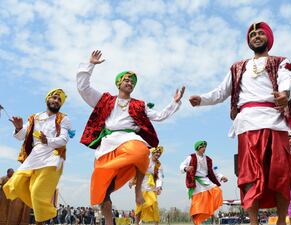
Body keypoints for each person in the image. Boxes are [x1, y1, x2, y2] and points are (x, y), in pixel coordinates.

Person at [189, 21, 291, 225]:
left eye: (260, 33)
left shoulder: (280, 61)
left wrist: (284, 94)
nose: (256, 36)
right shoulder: (238, 67)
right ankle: (254, 221)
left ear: (268, 38)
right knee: (249, 176)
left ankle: (282, 221)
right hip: (247, 124)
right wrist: (202, 100)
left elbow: (286, 79)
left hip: (274, 120)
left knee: (281, 172)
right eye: (252, 34)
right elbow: (221, 92)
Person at [77, 50, 185, 225]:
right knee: (102, 191)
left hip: (129, 139)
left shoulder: (138, 105)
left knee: (141, 151)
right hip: (107, 146)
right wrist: (90, 65)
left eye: (132, 82)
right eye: (127, 80)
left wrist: (175, 103)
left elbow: (160, 116)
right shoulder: (105, 100)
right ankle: (109, 221)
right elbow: (83, 88)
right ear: (119, 83)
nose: (130, 83)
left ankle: (138, 191)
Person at [3, 89, 72, 224]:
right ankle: (45, 209)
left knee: (36, 192)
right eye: (55, 98)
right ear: (48, 99)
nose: (57, 101)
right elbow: (22, 135)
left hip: (52, 157)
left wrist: (48, 141)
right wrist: (18, 128)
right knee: (15, 183)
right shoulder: (35, 117)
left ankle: (41, 219)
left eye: (59, 100)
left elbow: (63, 139)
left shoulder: (64, 119)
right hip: (34, 155)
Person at [180, 140, 228, 225]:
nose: (204, 148)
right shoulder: (191, 157)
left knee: (217, 191)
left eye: (204, 147)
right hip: (195, 184)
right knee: (197, 205)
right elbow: (182, 165)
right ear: (197, 148)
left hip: (206, 181)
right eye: (202, 147)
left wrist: (221, 177)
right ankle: (196, 220)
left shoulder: (208, 159)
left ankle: (210, 211)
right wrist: (186, 168)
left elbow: (214, 171)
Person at [131, 146, 165, 225]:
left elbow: (160, 177)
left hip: (151, 186)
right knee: (140, 206)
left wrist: (159, 187)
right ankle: (136, 223)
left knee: (154, 203)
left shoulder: (158, 165)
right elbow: (136, 169)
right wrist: (132, 180)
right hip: (141, 185)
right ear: (153, 152)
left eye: (159, 153)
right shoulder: (145, 160)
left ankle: (156, 223)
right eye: (156, 152)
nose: (158, 154)